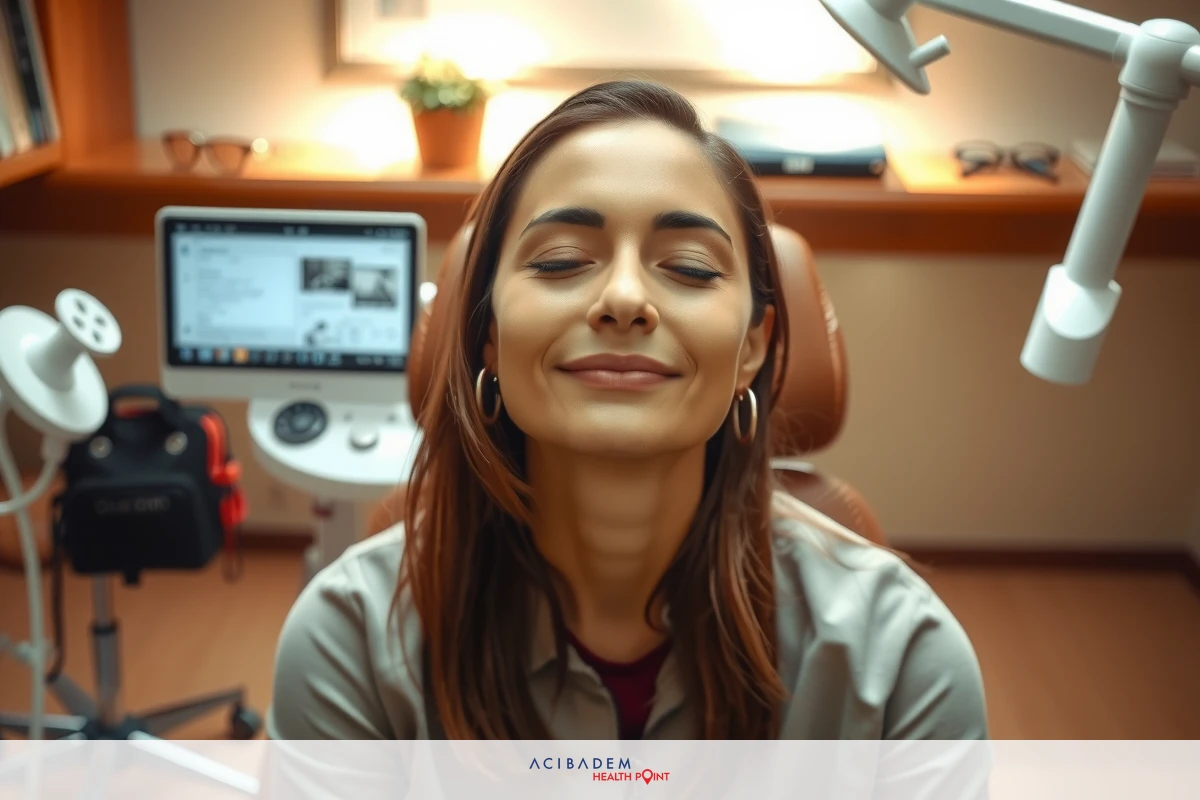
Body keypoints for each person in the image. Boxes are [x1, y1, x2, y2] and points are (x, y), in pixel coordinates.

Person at [268, 80, 988, 741]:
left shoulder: (901, 662)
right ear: (489, 334)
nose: (623, 299)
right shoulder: (350, 644)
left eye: (690, 268)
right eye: (558, 261)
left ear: (752, 348)